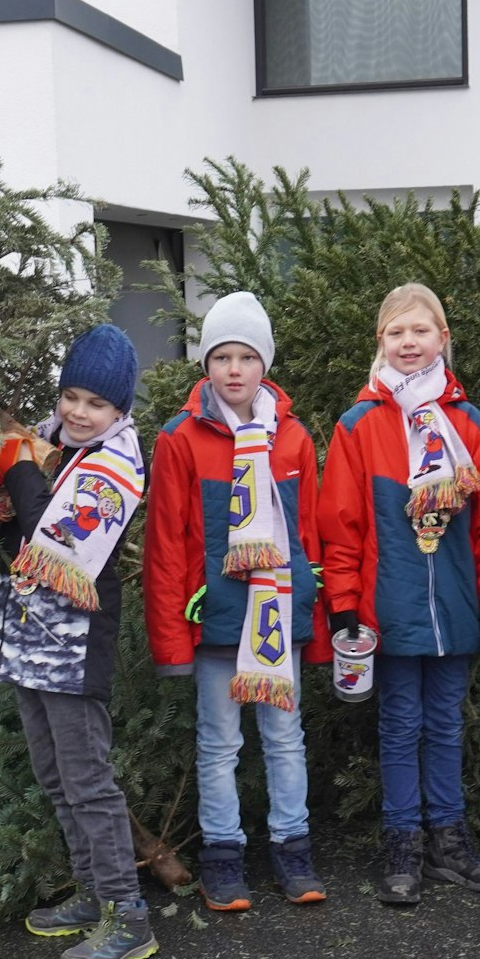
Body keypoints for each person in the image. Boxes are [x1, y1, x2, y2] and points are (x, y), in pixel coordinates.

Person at [318, 283, 480, 905]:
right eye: (396, 332)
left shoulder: (470, 424)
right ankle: (403, 842)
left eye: (421, 330)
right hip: (390, 608)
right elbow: (341, 526)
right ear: (380, 341)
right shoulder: (358, 426)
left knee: (446, 725)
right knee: (401, 724)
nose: (409, 342)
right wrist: (344, 604)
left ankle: (450, 842)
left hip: (456, 605)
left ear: (443, 338)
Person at [0, 323, 158, 959]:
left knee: (86, 778)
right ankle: (90, 891)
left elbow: (54, 533)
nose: (79, 412)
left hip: (75, 644)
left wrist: (18, 466)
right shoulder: (55, 445)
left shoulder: (115, 466)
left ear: (119, 410)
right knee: (53, 771)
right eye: (71, 396)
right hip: (32, 632)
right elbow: (23, 540)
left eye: (96, 404)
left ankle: (128, 915)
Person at [143, 292, 330, 911]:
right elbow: (166, 543)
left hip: (278, 618)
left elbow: (309, 537)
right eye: (221, 356)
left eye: (247, 357)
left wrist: (314, 616)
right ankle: (223, 857)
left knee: (285, 737)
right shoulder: (180, 438)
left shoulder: (292, 438)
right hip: (218, 620)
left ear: (264, 364)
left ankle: (293, 848)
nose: (234, 369)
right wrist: (171, 641)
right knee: (220, 743)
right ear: (206, 364)